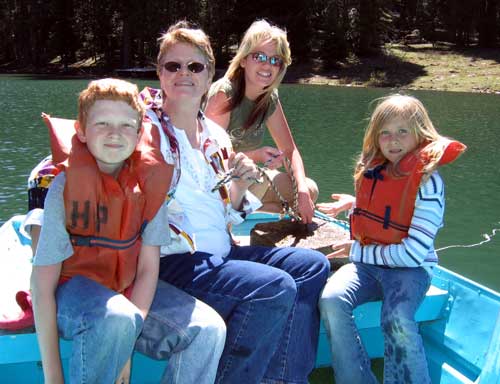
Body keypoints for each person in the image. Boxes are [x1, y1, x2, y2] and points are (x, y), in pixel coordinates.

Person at [141, 21, 329, 384]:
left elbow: (229, 212)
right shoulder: (143, 129)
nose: (184, 73)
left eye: (195, 66)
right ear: (159, 73)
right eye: (173, 66)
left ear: (209, 73)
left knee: (312, 267)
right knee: (274, 287)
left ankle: (285, 378)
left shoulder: (214, 136)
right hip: (176, 260)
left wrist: (242, 186)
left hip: (221, 251)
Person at [30, 78, 226, 384]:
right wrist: (53, 376)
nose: (114, 134)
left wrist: (127, 346)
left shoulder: (149, 187)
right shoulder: (62, 190)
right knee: (116, 318)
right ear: (81, 131)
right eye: (102, 123)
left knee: (209, 328)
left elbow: (148, 269)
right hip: (72, 294)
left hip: (128, 293)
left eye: (125, 125)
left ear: (139, 134)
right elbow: (42, 288)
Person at [317, 94, 466, 384]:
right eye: (384, 132)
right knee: (331, 299)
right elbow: (383, 211)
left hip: (410, 269)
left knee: (396, 319)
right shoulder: (377, 169)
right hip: (369, 266)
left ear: (420, 135)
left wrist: (357, 250)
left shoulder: (427, 182)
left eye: (402, 131)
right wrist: (353, 203)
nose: (392, 140)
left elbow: (410, 255)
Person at [205, 20, 318, 223]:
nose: (268, 65)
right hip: (218, 184)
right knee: (265, 198)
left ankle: (242, 222)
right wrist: (255, 155)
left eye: (275, 60)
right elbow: (209, 159)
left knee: (309, 190)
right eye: (259, 57)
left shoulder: (268, 98)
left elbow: (290, 151)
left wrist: (301, 190)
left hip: (250, 178)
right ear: (243, 60)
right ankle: (232, 222)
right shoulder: (224, 94)